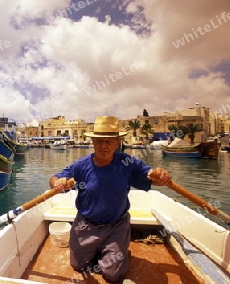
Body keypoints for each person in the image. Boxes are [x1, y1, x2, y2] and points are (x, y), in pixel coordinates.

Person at [49, 115, 172, 282]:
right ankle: (103, 250)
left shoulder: (127, 163)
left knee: (113, 275)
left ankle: (114, 249)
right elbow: (55, 179)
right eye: (99, 141)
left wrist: (162, 177)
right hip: (86, 225)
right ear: (92, 142)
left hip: (116, 226)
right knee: (78, 265)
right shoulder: (81, 165)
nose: (104, 146)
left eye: (109, 141)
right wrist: (58, 182)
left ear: (117, 142)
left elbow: (151, 177)